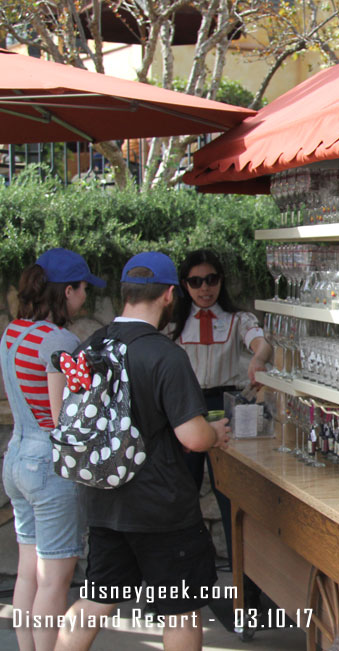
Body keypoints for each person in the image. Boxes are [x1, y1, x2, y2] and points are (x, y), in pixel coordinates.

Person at [55, 252, 230, 651]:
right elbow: (192, 437)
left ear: (125, 293)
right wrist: (215, 432)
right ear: (170, 294)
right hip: (163, 510)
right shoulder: (165, 355)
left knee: (94, 600)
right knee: (181, 612)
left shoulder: (89, 347)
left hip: (103, 502)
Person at [1, 248, 105, 651]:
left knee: (29, 573)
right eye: (82, 289)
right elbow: (69, 411)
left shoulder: (12, 332)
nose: (85, 297)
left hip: (16, 458)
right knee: (54, 579)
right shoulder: (61, 341)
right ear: (66, 292)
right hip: (49, 466)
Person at [169, 249, 271, 613]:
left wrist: (258, 357)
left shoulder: (239, 319)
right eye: (195, 281)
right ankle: (182, 588)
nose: (204, 288)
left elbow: (260, 340)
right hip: (186, 410)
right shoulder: (173, 324)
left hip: (229, 408)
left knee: (233, 501)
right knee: (180, 500)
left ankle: (247, 594)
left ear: (221, 281)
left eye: (211, 279)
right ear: (184, 286)